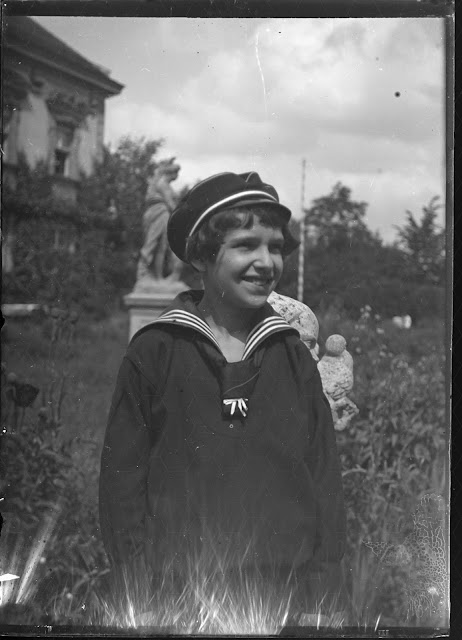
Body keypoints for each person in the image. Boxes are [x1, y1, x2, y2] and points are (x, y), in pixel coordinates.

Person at [99, 171, 347, 625]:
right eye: (247, 245)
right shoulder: (156, 350)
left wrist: (323, 603)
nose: (267, 261)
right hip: (178, 598)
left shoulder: (291, 354)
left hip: (283, 598)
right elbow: (122, 487)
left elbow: (324, 482)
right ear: (202, 254)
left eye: (276, 247)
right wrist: (139, 598)